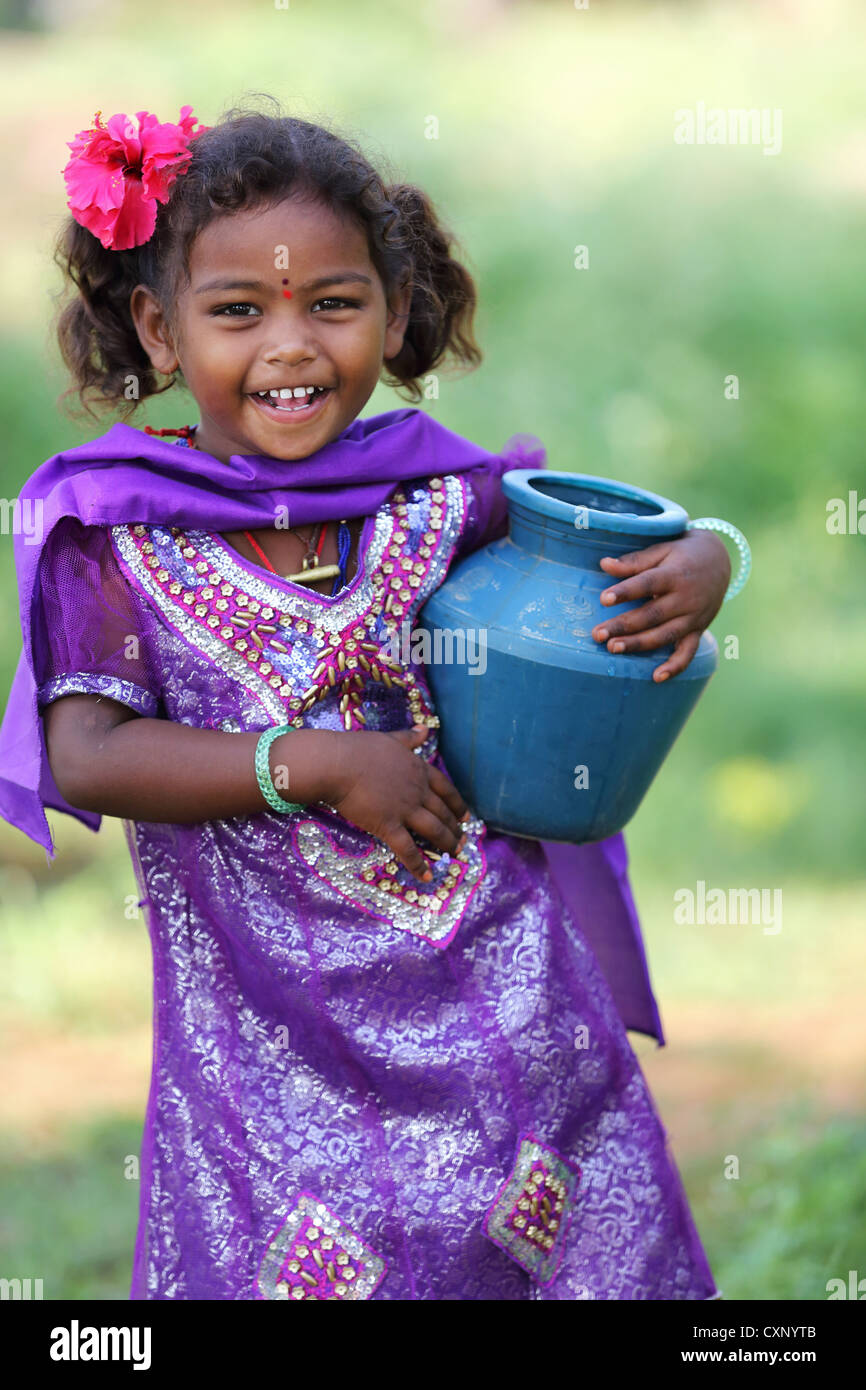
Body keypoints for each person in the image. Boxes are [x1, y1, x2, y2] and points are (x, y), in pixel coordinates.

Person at [0, 99, 734, 1300]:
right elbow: (84, 754)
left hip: (501, 1001)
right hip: (267, 1047)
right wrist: (317, 765)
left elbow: (617, 557)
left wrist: (704, 559)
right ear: (158, 326)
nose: (288, 345)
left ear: (392, 315)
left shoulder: (438, 497)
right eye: (237, 311)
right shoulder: (115, 540)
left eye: (330, 304)